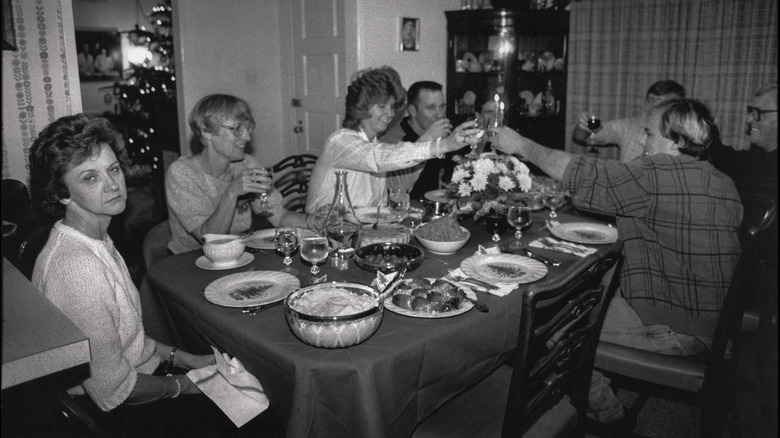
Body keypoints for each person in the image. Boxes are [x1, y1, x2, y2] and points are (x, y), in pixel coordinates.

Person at [28, 114, 284, 437]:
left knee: (249, 387)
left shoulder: (95, 237)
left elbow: (126, 340)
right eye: (89, 178)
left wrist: (187, 359)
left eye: (113, 169)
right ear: (62, 193)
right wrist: (185, 386)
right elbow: (114, 392)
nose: (112, 185)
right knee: (260, 418)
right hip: (117, 417)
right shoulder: (78, 268)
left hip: (138, 380)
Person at [491, 97, 742, 352]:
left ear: (676, 142)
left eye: (649, 133)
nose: (643, 141)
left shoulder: (659, 173)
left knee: (548, 326)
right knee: (582, 300)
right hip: (714, 321)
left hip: (676, 326)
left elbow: (582, 172)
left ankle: (592, 393)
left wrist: (521, 145)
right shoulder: (723, 180)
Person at [305, 66, 478, 212]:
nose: (390, 113)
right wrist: (445, 144)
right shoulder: (340, 142)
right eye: (382, 106)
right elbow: (378, 158)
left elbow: (380, 207)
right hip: (321, 239)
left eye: (392, 106)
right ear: (361, 106)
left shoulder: (376, 144)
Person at [165, 94, 316, 254]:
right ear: (206, 132)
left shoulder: (247, 164)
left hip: (239, 254)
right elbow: (209, 240)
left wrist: (311, 221)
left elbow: (280, 216)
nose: (247, 137)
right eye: (236, 129)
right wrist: (232, 192)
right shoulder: (182, 173)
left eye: (248, 128)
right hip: (190, 262)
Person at [573, 80, 686, 161]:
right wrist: (584, 126)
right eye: (650, 100)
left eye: (660, 103)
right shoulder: (628, 126)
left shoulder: (684, 135)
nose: (652, 107)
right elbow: (581, 137)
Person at [381, 81, 455, 199]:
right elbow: (395, 191)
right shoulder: (393, 140)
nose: (440, 114)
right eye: (431, 108)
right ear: (412, 110)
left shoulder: (443, 134)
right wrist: (426, 140)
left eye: (442, 106)